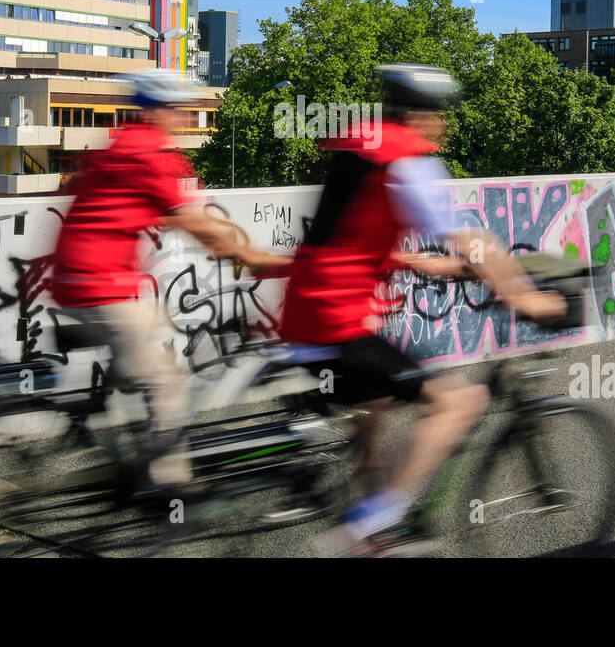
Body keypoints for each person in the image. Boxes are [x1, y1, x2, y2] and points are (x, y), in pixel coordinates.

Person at [273, 63, 566, 554]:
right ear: (422, 114)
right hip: (338, 322)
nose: (443, 125)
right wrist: (526, 298)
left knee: (377, 409)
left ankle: (370, 515)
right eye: (440, 114)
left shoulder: (361, 148)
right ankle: (370, 532)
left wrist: (435, 266)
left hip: (308, 313)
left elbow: (350, 235)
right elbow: (470, 240)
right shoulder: (407, 160)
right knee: (460, 402)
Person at [48, 69, 277, 489]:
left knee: (148, 338)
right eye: (177, 111)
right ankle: (168, 488)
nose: (182, 119)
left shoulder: (118, 145)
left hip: (80, 280)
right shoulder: (146, 155)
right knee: (167, 383)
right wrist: (253, 258)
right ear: (159, 112)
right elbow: (196, 224)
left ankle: (104, 426)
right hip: (100, 285)